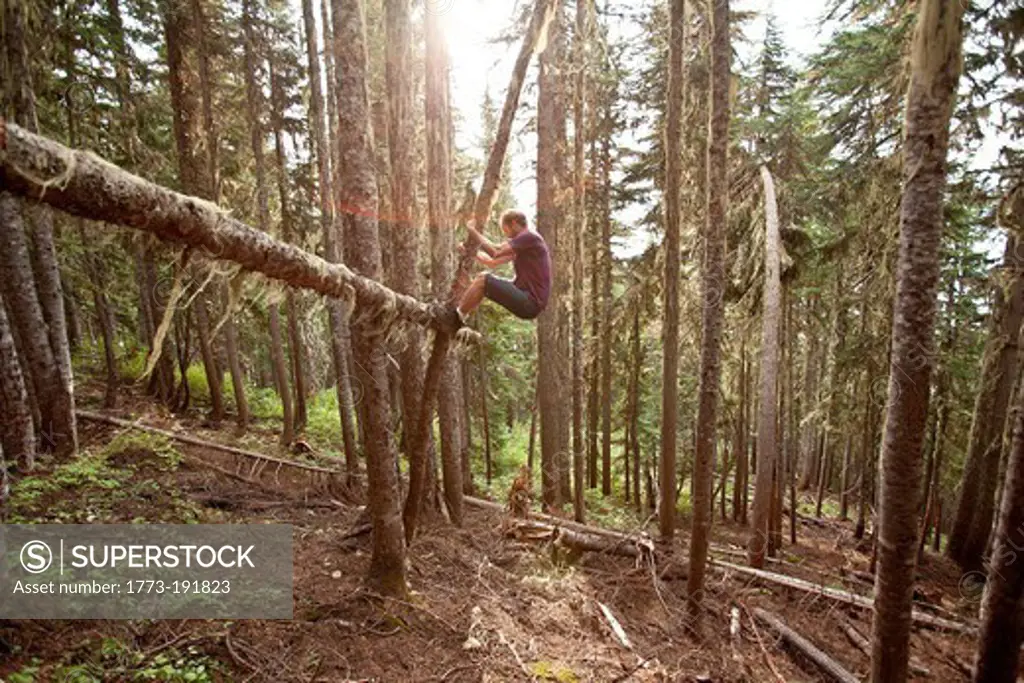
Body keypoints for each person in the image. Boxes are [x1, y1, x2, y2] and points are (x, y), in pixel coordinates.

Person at [456, 209, 551, 324]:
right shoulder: (523, 245)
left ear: (514, 223)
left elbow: (495, 251)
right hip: (527, 302)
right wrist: (468, 251)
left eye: (504, 229)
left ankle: (456, 317)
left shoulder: (529, 237)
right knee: (482, 282)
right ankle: (460, 316)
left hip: (530, 302)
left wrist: (472, 231)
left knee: (483, 280)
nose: (505, 234)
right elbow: (492, 261)